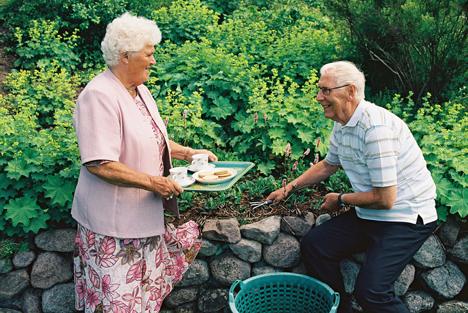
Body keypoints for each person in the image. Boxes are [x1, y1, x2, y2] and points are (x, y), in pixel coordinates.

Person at [72, 13, 217, 313]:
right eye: (149, 54)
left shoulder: (140, 91)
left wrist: (188, 153)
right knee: (117, 305)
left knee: (142, 299)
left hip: (143, 218)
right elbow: (99, 162)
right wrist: (155, 182)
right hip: (113, 229)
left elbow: (152, 138)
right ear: (125, 56)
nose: (153, 61)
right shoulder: (98, 95)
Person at [267, 61, 437, 313]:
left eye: (325, 90)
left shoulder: (376, 129)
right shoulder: (343, 122)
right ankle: (339, 308)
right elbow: (328, 165)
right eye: (319, 89)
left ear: (350, 92)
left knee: (372, 292)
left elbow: (386, 199)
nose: (318, 97)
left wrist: (341, 199)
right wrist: (288, 188)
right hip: (372, 214)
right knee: (316, 245)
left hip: (406, 217)